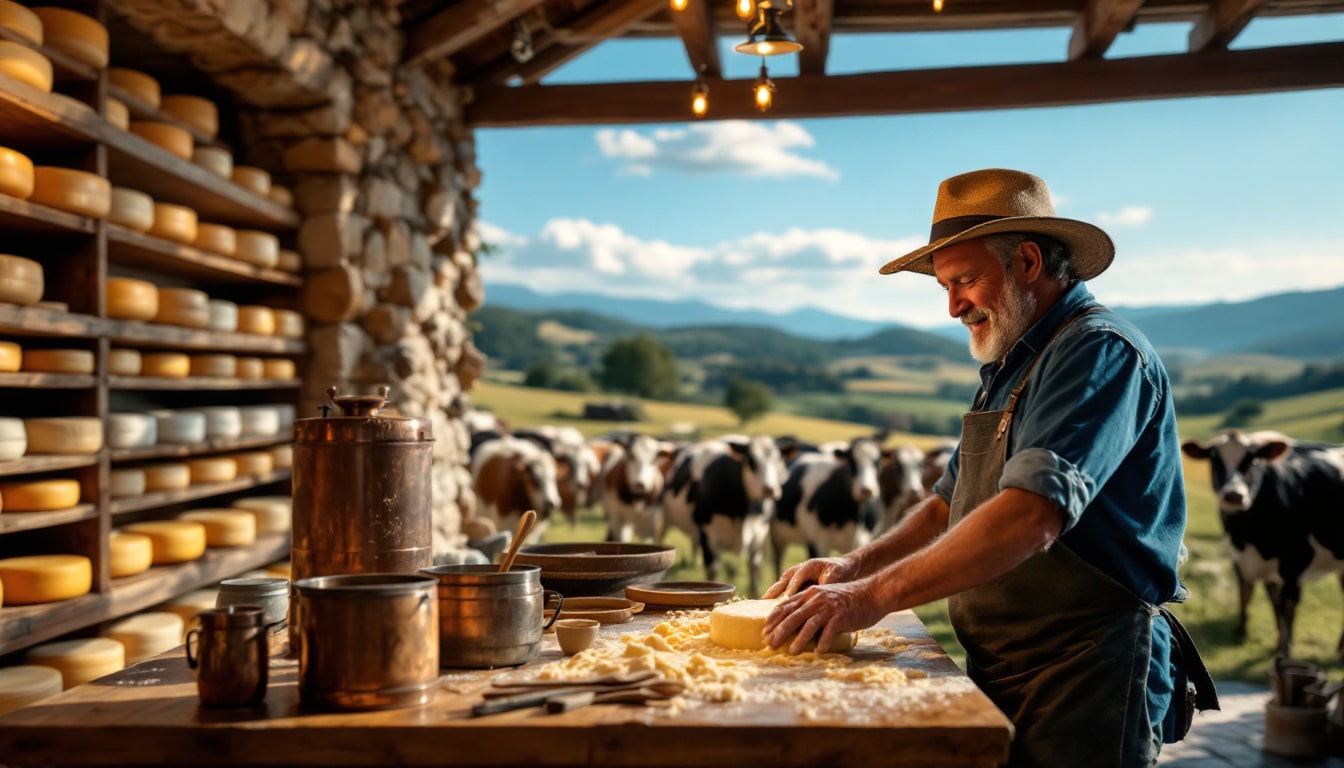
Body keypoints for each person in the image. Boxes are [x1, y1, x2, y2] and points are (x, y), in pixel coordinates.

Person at [762, 168, 1219, 767]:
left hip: (1088, 673)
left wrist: (866, 598)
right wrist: (853, 565)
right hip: (1005, 664)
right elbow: (946, 506)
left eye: (967, 281)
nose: (954, 306)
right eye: (945, 287)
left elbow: (1030, 517)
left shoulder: (1100, 352)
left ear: (1028, 261)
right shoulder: (1011, 366)